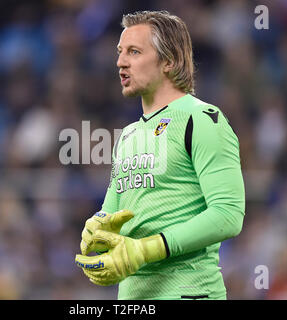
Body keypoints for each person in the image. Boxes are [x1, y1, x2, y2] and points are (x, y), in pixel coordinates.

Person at [75, 10, 245, 300]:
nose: (120, 62)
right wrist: (98, 230)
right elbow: (115, 214)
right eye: (120, 52)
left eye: (134, 52)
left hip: (189, 293)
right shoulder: (127, 135)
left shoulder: (202, 119)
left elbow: (228, 214)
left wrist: (147, 249)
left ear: (169, 61)